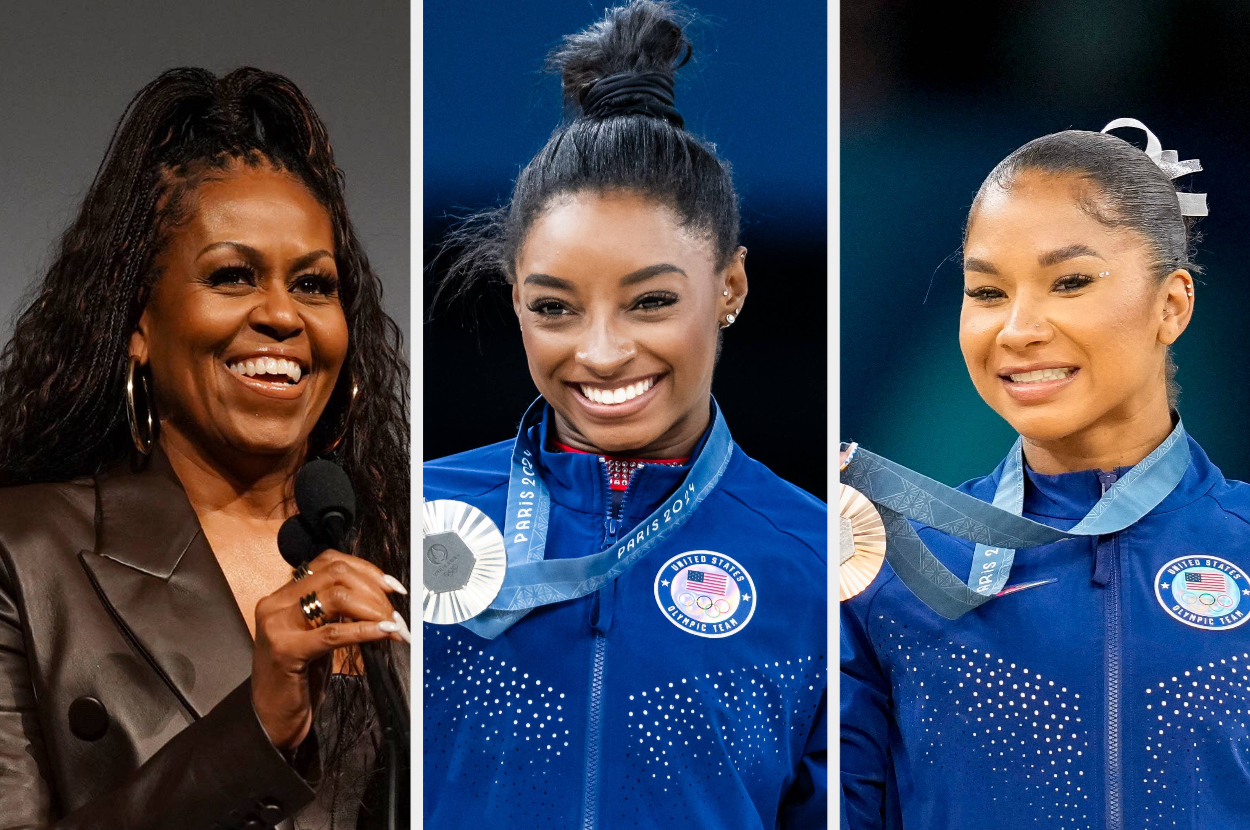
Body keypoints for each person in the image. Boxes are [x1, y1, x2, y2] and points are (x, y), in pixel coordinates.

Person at [422, 2, 827, 828]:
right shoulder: (414, 516)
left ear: (731, 289)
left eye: (649, 302)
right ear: (516, 304)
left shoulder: (819, 561)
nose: (601, 353)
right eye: (555, 307)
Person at [0, 67, 410, 829]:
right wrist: (253, 731)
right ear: (139, 325)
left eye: (316, 286)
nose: (283, 315)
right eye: (232, 276)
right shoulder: (25, 557)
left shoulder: (417, 548)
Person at [839, 120, 1250, 829]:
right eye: (988, 293)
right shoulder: (892, 565)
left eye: (1070, 282)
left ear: (1171, 304)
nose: (1018, 329)